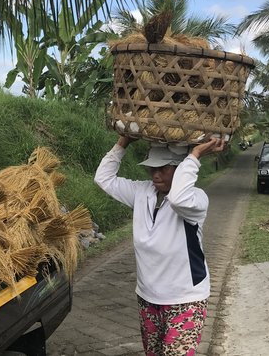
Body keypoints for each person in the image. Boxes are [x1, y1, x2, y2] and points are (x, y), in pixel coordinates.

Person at [94, 136, 225, 356]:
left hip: (186, 299)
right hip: (148, 298)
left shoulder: (195, 199)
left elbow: (178, 199)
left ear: (180, 168)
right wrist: (123, 142)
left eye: (163, 168)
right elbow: (103, 178)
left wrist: (194, 156)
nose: (155, 174)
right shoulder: (142, 192)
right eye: (152, 168)